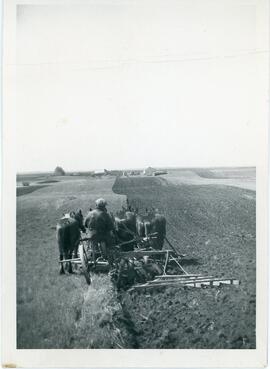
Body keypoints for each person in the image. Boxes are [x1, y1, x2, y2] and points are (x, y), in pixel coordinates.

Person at [84, 198, 114, 264]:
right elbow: (110, 227)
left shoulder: (89, 213)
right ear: (104, 206)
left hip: (91, 236)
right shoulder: (105, 214)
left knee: (96, 239)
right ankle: (107, 255)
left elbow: (85, 225)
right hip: (101, 236)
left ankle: (95, 254)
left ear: (96, 205)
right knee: (111, 240)